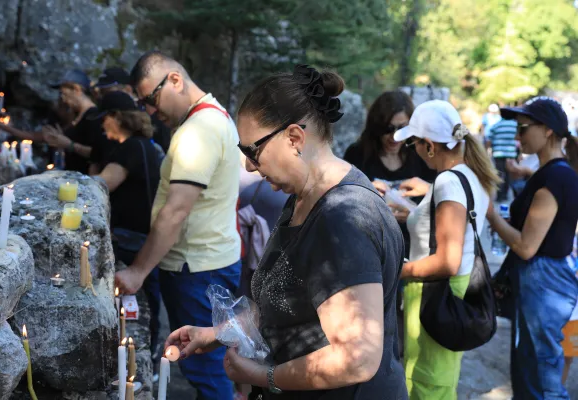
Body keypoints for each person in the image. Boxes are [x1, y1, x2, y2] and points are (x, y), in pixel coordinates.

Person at [165, 64, 408, 399]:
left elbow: (356, 359)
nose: (249, 165)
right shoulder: (301, 199)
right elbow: (283, 298)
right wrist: (217, 334)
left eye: (252, 150)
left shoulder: (342, 219)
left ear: (294, 138)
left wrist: (265, 376)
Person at [114, 51, 242, 400]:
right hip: (212, 260)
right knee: (215, 364)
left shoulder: (197, 131)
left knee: (207, 369)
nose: (150, 112)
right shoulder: (216, 116)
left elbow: (175, 211)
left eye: (151, 100)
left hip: (196, 268)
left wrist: (138, 271)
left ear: (174, 80)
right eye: (142, 104)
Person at [393, 100, 501, 399]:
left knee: (428, 386)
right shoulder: (470, 176)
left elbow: (447, 261)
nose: (412, 149)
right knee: (436, 383)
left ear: (429, 146)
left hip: (435, 294)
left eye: (413, 143)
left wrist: (396, 269)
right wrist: (411, 215)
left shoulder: (447, 184)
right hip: (450, 292)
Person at [487, 96, 578, 399]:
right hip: (544, 281)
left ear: (548, 130)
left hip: (544, 281)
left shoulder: (555, 177)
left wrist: (489, 214)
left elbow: (527, 246)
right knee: (531, 372)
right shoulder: (553, 173)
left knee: (539, 379)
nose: (517, 136)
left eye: (523, 129)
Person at [89, 91, 163, 358]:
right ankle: (148, 356)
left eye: (104, 118)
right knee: (145, 304)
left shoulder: (132, 147)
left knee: (132, 305)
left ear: (116, 117)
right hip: (139, 235)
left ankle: (137, 357)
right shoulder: (144, 145)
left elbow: (100, 185)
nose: (101, 125)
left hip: (130, 238)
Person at [344, 90, 435, 256]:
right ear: (376, 126)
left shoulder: (420, 154)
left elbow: (441, 202)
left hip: (415, 248)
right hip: (370, 246)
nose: (394, 137)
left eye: (402, 128)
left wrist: (415, 215)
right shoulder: (358, 154)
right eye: (388, 128)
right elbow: (343, 201)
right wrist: (364, 192)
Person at [42, 69, 113, 174]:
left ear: (77, 90)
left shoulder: (93, 116)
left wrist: (69, 144)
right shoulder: (77, 115)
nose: (63, 100)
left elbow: (98, 152)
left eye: (64, 94)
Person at [94, 67, 172, 152]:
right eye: (101, 93)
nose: (104, 97)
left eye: (108, 92)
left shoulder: (153, 113)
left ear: (128, 89)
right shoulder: (105, 118)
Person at [487, 116, 518, 202]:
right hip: (511, 154)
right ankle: (505, 194)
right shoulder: (515, 125)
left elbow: (489, 139)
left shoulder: (496, 125)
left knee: (499, 174)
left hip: (498, 154)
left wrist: (488, 150)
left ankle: (500, 195)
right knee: (508, 174)